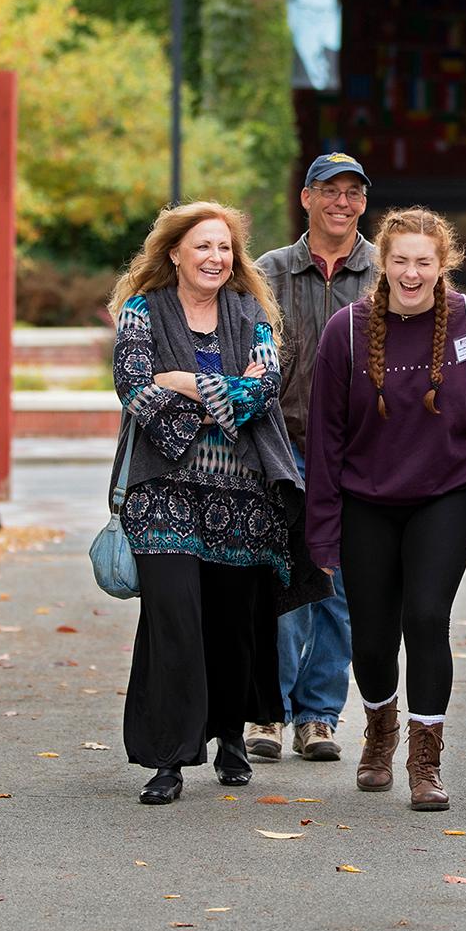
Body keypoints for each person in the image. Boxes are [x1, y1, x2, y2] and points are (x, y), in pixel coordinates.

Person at [107, 200, 332, 805]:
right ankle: (171, 758)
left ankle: (231, 736)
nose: (215, 257)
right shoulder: (140, 312)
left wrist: (180, 381)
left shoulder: (251, 313)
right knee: (175, 621)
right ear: (175, 252)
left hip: (241, 498)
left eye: (225, 248)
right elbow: (134, 386)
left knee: (234, 626)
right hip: (164, 495)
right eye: (203, 246)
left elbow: (261, 389)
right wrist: (202, 394)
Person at [305, 207, 466, 812]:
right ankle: (380, 730)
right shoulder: (346, 332)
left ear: (442, 264)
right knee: (370, 639)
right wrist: (321, 528)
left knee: (425, 618)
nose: (413, 272)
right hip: (365, 500)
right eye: (401, 261)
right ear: (383, 264)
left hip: (446, 496)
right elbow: (325, 441)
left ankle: (425, 758)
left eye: (425, 261)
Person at [251, 152, 379, 764]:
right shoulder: (268, 272)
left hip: (361, 459)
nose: (343, 202)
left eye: (354, 192)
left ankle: (319, 717)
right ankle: (268, 714)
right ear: (306, 197)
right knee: (284, 582)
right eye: (331, 190)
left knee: (340, 590)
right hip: (285, 451)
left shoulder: (385, 271)